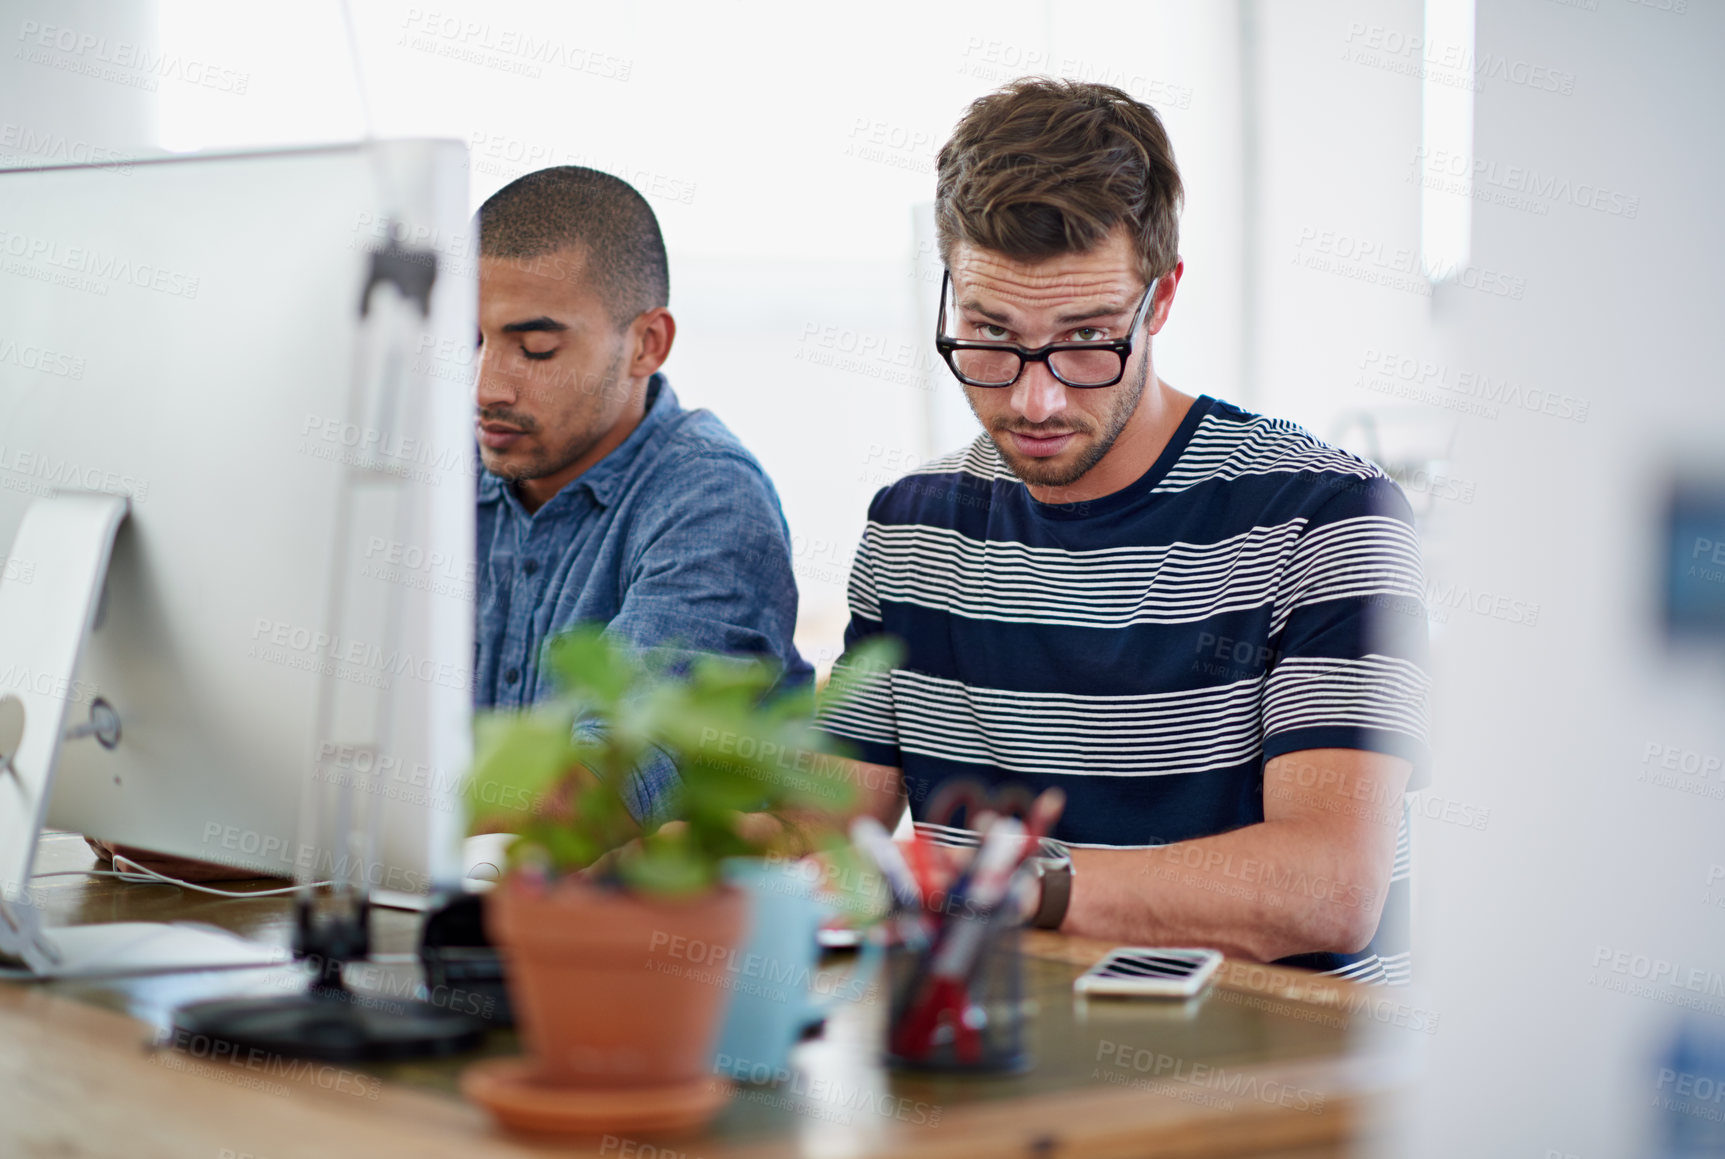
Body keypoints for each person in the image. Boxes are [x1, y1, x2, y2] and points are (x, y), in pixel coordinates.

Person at [816, 80, 1430, 983]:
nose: (1034, 398)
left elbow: (1327, 886)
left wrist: (1008, 883)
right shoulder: (913, 525)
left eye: (1086, 338)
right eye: (988, 334)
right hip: (995, 1063)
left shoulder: (1325, 515)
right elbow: (825, 831)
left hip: (1282, 1084)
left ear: (1163, 297)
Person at [90, 166, 809, 876]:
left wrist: (273, 824)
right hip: (443, 924)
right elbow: (323, 708)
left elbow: (600, 791)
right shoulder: (436, 471)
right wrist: (189, 803)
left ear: (647, 344)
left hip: (656, 956)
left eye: (535, 349)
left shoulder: (711, 499)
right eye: (469, 340)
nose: (487, 386)